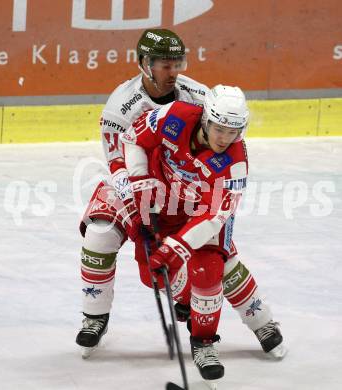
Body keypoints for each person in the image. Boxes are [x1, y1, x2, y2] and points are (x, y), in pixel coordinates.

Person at [120, 85, 286, 381]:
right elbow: (133, 137)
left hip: (204, 217)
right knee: (152, 275)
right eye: (219, 129)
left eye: (233, 131)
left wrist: (175, 249)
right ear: (206, 119)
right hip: (167, 206)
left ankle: (207, 341)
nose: (224, 138)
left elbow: (215, 215)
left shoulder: (235, 161)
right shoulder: (174, 116)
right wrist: (139, 178)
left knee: (210, 269)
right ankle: (189, 302)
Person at [76, 28, 209, 357]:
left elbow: (221, 143)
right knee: (99, 234)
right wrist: (138, 214)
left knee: (203, 245)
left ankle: (192, 304)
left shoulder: (199, 96)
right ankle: (95, 316)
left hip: (182, 184)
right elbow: (117, 166)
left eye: (177, 62)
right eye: (165, 64)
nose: (173, 71)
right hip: (134, 183)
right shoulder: (121, 106)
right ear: (144, 65)